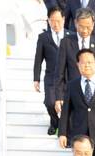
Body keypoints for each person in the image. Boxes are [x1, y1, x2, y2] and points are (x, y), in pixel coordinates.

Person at [56, 11, 95, 104]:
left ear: (93, 24)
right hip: (73, 95)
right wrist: (58, 97)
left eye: (88, 27)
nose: (85, 30)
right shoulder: (66, 43)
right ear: (75, 23)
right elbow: (59, 73)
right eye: (81, 26)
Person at [33, 8, 67, 136]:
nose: (55, 24)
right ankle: (54, 122)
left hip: (67, 78)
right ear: (48, 20)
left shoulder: (71, 36)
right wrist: (36, 79)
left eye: (58, 21)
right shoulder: (43, 37)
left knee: (68, 104)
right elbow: (38, 59)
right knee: (49, 102)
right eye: (52, 21)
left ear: (63, 20)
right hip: (51, 77)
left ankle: (65, 127)